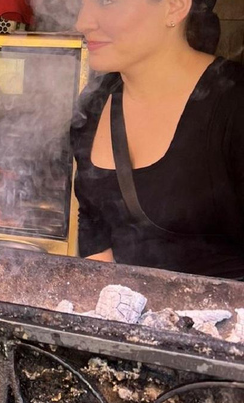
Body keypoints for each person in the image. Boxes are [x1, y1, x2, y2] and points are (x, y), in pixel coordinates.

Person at [72, 0, 244, 279]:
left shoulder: (234, 106)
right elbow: (93, 219)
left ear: (174, 6)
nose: (82, 22)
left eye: (106, 2)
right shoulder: (94, 101)